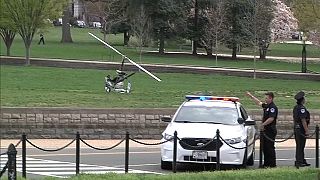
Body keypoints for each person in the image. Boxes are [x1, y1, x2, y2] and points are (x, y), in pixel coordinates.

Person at [246, 91, 278, 167]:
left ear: (271, 98)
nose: (265, 99)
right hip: (265, 130)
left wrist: (263, 124)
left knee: (269, 147)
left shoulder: (272, 107)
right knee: (265, 147)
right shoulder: (267, 106)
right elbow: (259, 103)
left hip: (270, 129)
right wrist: (251, 96)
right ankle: (266, 163)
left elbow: (271, 118)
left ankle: (272, 164)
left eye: (266, 98)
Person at [293, 91, 311, 167]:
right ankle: (299, 162)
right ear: (302, 100)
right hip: (301, 129)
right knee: (300, 145)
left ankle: (302, 160)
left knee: (300, 145)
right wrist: (307, 131)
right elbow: (303, 120)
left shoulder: (296, 107)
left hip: (297, 127)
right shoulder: (302, 108)